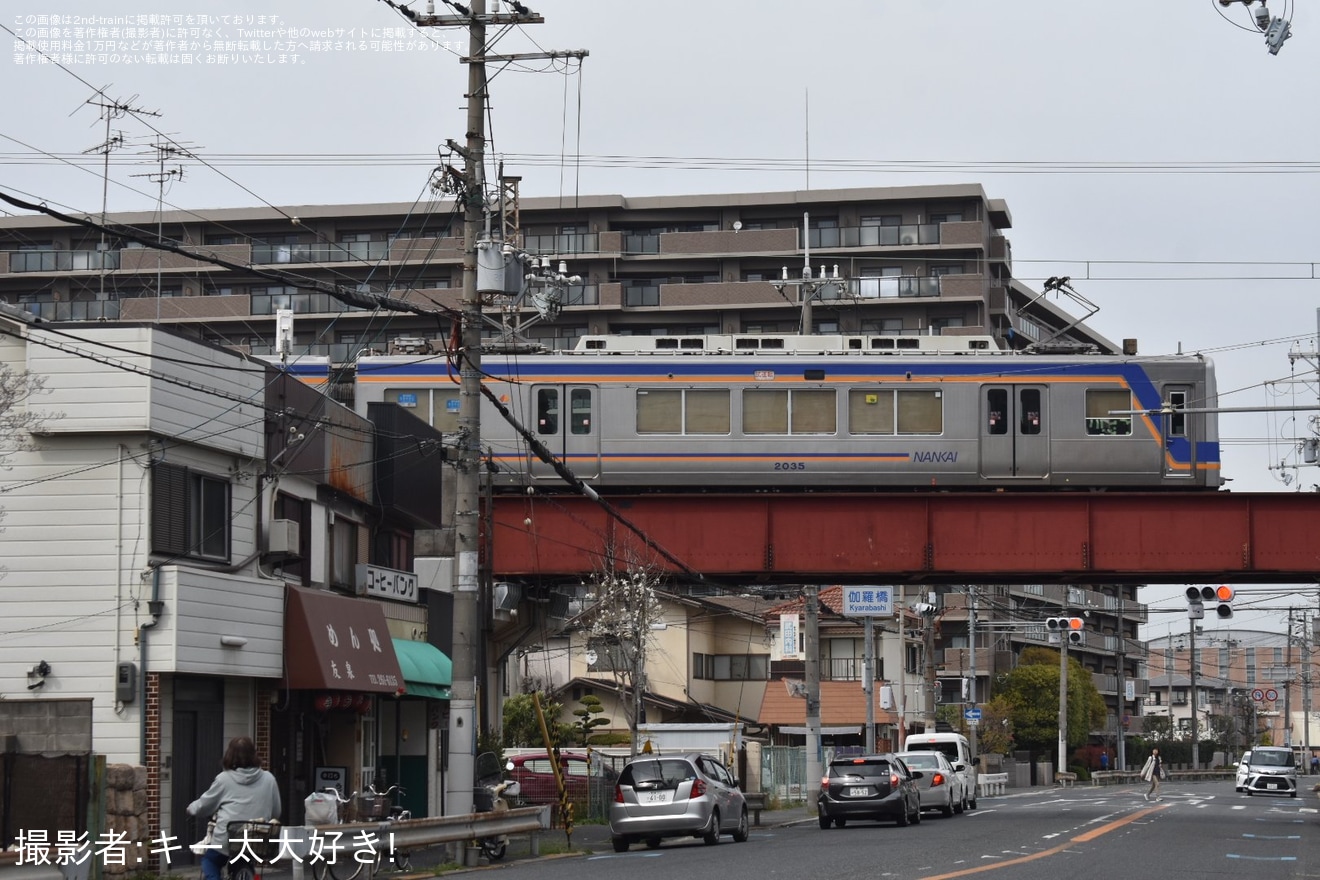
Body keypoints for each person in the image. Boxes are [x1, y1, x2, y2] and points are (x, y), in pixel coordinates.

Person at [187, 736, 282, 880]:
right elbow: (277, 812)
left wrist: (191, 809)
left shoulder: (224, 779)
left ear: (229, 755)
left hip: (226, 842)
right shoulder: (269, 779)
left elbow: (204, 805)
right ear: (254, 755)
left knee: (210, 860)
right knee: (245, 859)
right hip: (256, 841)